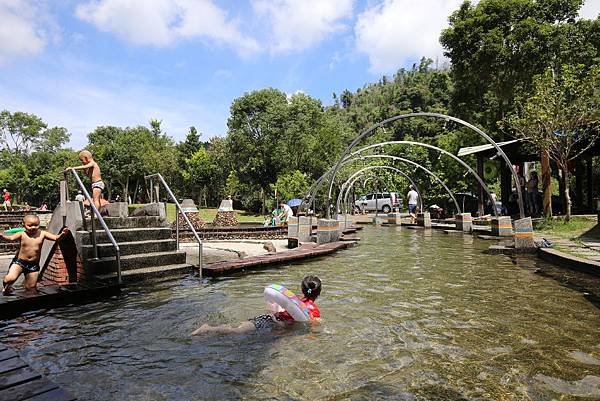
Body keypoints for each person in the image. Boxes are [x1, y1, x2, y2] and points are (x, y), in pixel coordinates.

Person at [191, 275, 322, 335]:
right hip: (275, 325)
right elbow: (313, 322)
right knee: (236, 331)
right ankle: (208, 329)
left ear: (302, 290)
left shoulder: (296, 301)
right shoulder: (312, 309)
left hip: (269, 318)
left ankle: (211, 328)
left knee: (239, 327)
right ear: (319, 293)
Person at [1, 215, 69, 294]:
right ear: (23, 225)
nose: (33, 227)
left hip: (33, 265)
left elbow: (56, 238)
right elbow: (11, 238)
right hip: (19, 262)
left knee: (31, 287)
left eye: (36, 225)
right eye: (30, 225)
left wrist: (62, 234)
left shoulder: (42, 234)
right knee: (10, 279)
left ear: (39, 224)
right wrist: (2, 236)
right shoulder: (22, 234)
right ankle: (6, 286)